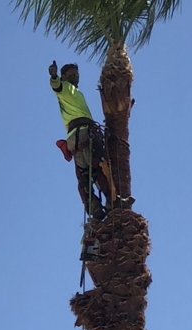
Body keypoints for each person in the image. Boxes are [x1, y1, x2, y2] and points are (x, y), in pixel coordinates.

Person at [49, 61, 133, 220]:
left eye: (77, 74)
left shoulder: (73, 92)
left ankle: (95, 210)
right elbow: (56, 86)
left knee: (85, 175)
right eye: (72, 74)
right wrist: (54, 76)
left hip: (74, 138)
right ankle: (113, 202)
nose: (75, 77)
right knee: (100, 167)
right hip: (84, 132)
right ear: (65, 76)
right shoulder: (66, 88)